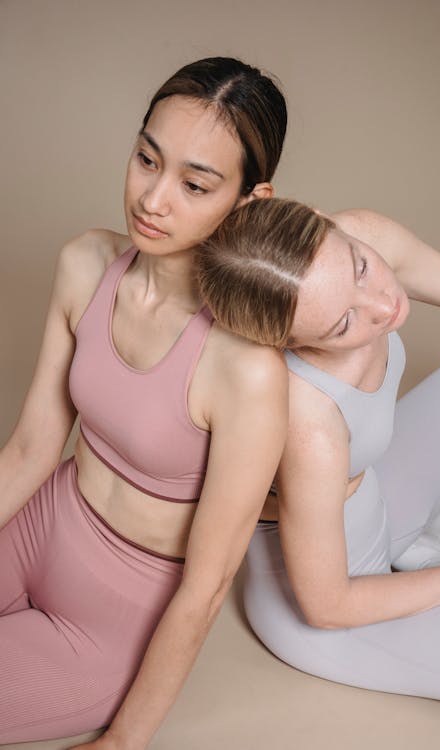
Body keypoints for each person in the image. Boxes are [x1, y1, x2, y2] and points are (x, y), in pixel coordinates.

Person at [0, 59, 290, 746]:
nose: (153, 199)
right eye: (145, 159)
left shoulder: (246, 370)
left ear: (249, 202)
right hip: (40, 526)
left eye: (194, 184)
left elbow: (210, 582)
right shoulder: (86, 264)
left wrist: (122, 742)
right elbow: (30, 449)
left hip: (111, 615)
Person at [197, 197, 440, 708]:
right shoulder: (306, 419)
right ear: (288, 344)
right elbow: (328, 605)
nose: (384, 306)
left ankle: (414, 545)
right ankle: (425, 564)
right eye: (343, 325)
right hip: (333, 610)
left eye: (361, 267)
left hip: (380, 497)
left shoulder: (362, 232)